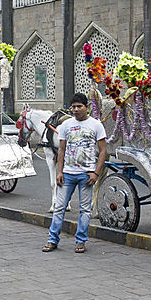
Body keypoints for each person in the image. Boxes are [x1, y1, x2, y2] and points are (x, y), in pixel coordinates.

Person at [43, 92, 107, 254]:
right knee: (59, 208)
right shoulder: (66, 125)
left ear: (87, 107)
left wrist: (96, 173)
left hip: (87, 175)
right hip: (68, 174)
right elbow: (61, 149)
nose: (76, 110)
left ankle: (81, 241)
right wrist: (59, 172)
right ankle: (52, 240)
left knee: (85, 210)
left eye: (79, 106)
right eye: (73, 107)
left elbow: (103, 151)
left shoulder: (96, 125)